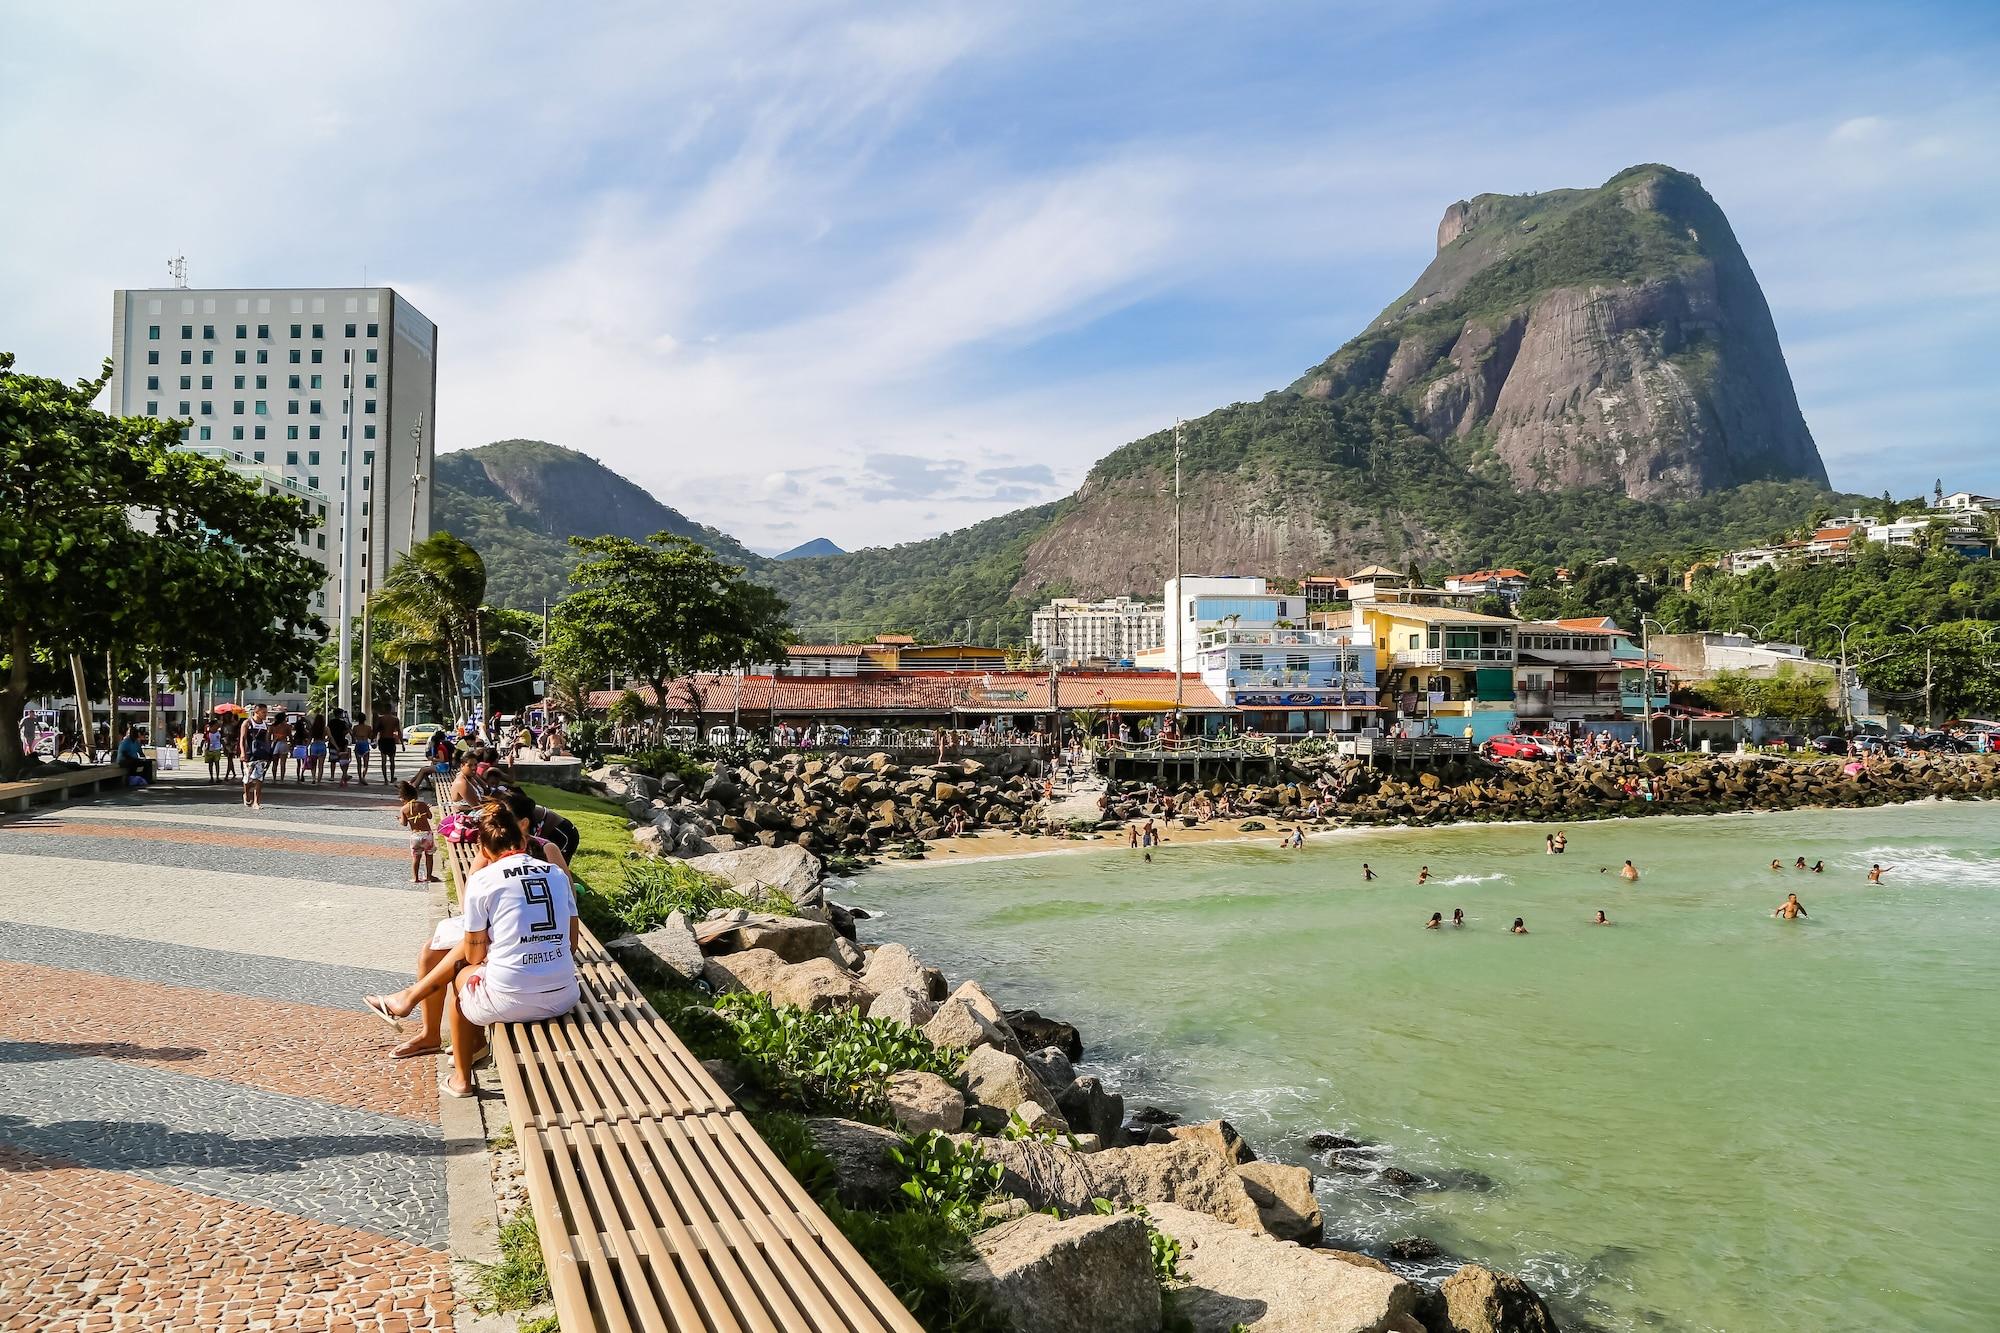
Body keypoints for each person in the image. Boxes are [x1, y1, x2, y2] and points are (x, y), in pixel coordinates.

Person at [363, 796, 582, 1097]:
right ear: (523, 836)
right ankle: (411, 1001)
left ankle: (461, 1079)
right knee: (454, 956)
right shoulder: (556, 874)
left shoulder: (485, 879)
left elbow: (474, 954)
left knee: (462, 981)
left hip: (512, 999)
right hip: (564, 994)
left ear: (483, 849)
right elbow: (571, 944)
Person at [399, 780, 438, 884]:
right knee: (429, 856)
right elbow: (430, 816)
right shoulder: (422, 804)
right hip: (427, 835)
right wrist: (427, 810)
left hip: (415, 835)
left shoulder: (404, 809)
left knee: (416, 857)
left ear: (404, 797)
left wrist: (399, 819)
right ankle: (429, 876)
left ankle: (415, 877)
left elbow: (404, 823)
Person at [240, 704, 275, 809]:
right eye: (263, 712)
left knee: (259, 779)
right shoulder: (247, 723)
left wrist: (269, 753)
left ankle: (257, 802)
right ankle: (246, 794)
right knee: (248, 779)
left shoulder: (266, 725)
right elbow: (242, 739)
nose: (265, 714)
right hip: (249, 754)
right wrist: (242, 752)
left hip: (262, 755)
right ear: (257, 712)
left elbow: (267, 740)